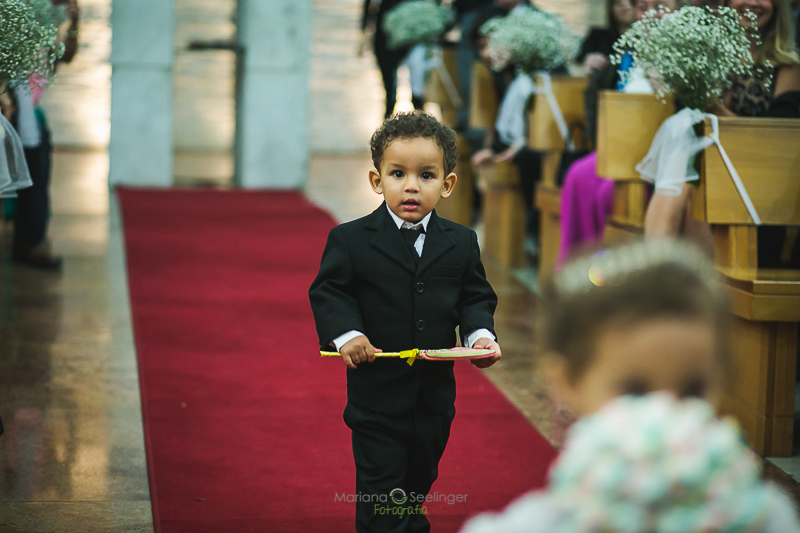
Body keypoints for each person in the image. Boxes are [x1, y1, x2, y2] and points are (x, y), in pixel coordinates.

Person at [459, 239, 800, 533]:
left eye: (692, 389)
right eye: (634, 391)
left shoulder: (765, 516)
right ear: (566, 383)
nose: (665, 412)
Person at [308, 111, 502, 533]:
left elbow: (475, 297)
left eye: (426, 175)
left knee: (415, 486)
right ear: (378, 181)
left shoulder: (462, 242)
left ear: (447, 184)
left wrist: (480, 335)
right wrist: (348, 334)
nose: (411, 185)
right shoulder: (350, 240)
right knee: (383, 496)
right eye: (398, 174)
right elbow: (330, 291)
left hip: (433, 400)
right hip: (376, 398)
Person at [645, 0, 800, 267]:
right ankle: (663, 280)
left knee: (691, 189)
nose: (752, 2)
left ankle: (660, 280)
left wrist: (717, 112)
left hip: (757, 187)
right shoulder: (706, 50)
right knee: (690, 184)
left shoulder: (788, 65)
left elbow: (780, 137)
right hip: (705, 176)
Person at [11, 0, 80, 270]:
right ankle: (30, 243)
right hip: (16, 113)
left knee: (36, 178)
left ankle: (28, 240)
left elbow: (64, 56)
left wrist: (74, 23)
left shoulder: (42, 27)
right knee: (32, 181)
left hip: (29, 113)